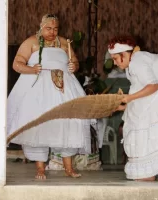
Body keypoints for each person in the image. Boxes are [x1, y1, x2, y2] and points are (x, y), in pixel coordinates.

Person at [7, 14, 94, 179]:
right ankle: (40, 168)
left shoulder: (63, 43)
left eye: (55, 29)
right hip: (39, 88)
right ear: (41, 27)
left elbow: (74, 62)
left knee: (69, 121)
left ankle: (69, 167)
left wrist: (73, 65)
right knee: (40, 123)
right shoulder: (31, 42)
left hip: (64, 86)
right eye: (49, 28)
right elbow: (16, 64)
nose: (52, 32)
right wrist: (32, 70)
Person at [109, 36, 158, 181]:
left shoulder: (137, 62)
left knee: (154, 126)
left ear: (124, 55)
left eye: (115, 58)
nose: (114, 62)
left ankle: (148, 173)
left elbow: (153, 85)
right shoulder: (132, 64)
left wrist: (129, 99)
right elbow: (139, 91)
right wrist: (123, 105)